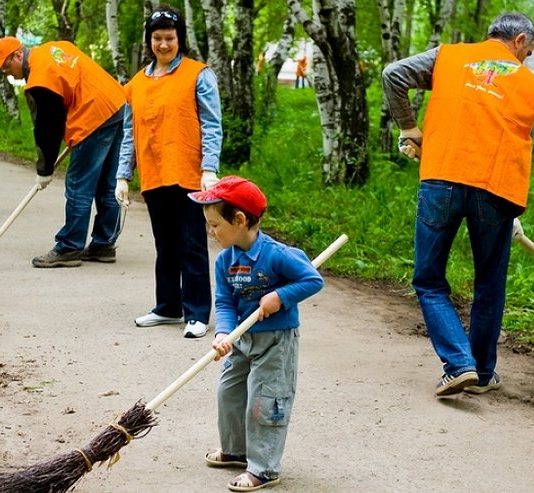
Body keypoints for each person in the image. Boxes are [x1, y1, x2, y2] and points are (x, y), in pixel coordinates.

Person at [382, 12, 534, 397]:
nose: (526, 60)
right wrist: (510, 209)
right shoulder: (527, 83)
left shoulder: (449, 57)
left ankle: (459, 364)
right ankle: (483, 373)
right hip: (495, 188)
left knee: (428, 278)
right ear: (520, 40)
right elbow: (517, 139)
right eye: (530, 51)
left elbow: (394, 74)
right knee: (489, 283)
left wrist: (409, 128)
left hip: (441, 178)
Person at [188, 176, 324, 492]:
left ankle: (264, 468)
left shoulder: (277, 255)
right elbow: (223, 301)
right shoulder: (225, 261)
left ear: (239, 220)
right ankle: (236, 450)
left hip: (276, 342)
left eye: (214, 224)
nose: (210, 231)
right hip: (242, 340)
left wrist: (281, 297)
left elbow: (313, 280)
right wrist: (224, 333)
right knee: (229, 393)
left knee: (266, 403)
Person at [115, 5, 222, 339]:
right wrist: (122, 175)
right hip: (154, 173)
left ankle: (197, 312)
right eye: (157, 38)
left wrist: (209, 168)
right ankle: (168, 307)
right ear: (149, 40)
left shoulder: (197, 74)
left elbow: (212, 124)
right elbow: (129, 133)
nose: (163, 44)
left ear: (179, 40)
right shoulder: (136, 84)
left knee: (191, 244)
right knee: (165, 245)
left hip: (189, 173)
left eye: (169, 38)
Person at [0, 36, 126, 268]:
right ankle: (104, 244)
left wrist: (44, 168)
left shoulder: (40, 79)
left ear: (18, 55)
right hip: (118, 105)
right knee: (108, 184)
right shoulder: (54, 47)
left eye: (6, 66)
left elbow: (47, 127)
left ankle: (70, 247)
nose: (7, 73)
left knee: (78, 186)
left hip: (92, 117)